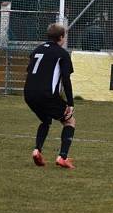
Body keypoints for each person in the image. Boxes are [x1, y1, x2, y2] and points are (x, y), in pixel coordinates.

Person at [24, 23, 77, 169]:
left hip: (28, 93)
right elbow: (66, 79)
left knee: (46, 120)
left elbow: (29, 70)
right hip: (46, 95)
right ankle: (62, 157)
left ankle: (37, 150)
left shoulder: (37, 50)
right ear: (61, 37)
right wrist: (70, 103)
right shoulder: (62, 54)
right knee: (70, 121)